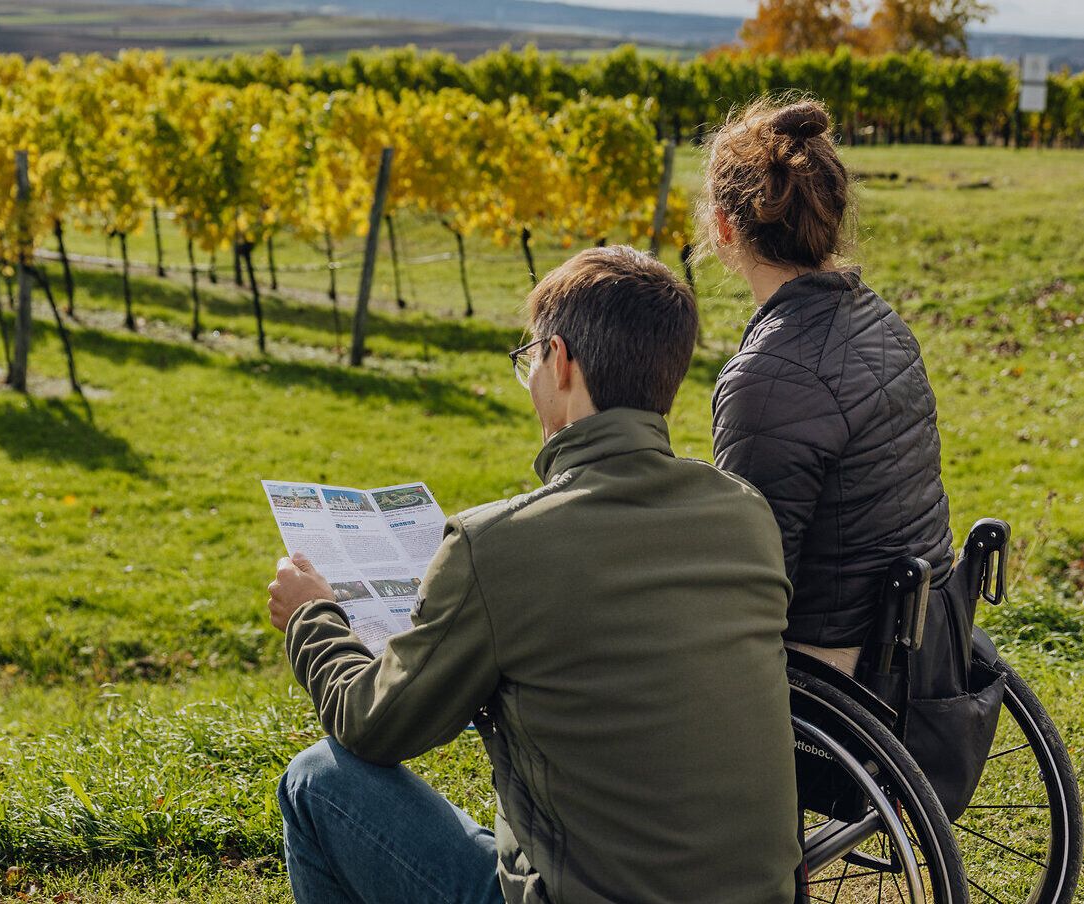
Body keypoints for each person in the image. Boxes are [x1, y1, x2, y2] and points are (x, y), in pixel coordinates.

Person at [267, 245, 802, 904]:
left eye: (529, 362)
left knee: (317, 777)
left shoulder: (496, 544)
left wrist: (311, 618)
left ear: (559, 360)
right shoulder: (744, 514)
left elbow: (373, 726)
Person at [705, 98, 954, 674]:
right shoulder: (881, 319)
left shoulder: (770, 375)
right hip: (918, 638)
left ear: (722, 226)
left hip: (835, 671)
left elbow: (756, 585)